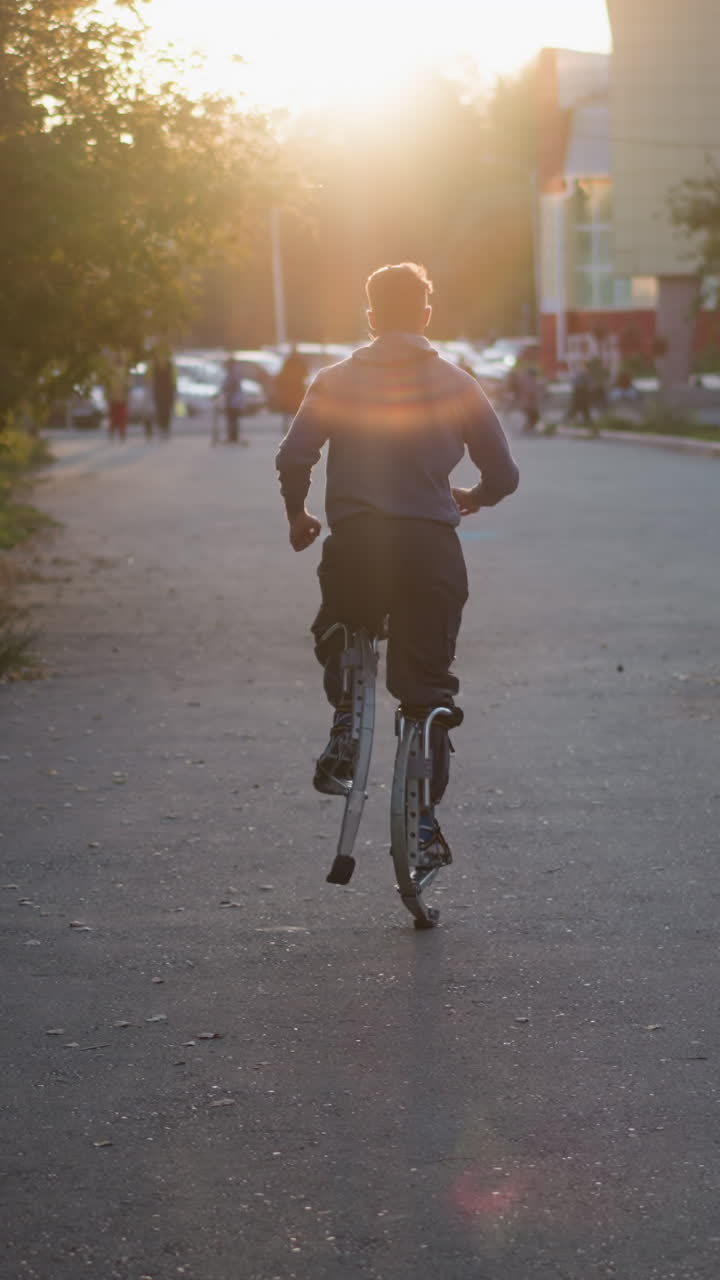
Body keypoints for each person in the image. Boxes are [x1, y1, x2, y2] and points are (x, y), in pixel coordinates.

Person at [275, 262, 519, 864]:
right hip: (429, 548)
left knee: (341, 626)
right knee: (425, 689)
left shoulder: (333, 380)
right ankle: (423, 826)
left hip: (358, 544)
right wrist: (473, 497)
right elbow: (504, 475)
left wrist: (298, 515)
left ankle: (344, 720)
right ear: (426, 315)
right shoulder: (458, 382)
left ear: (371, 315)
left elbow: (293, 456)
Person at [274, 345, 309, 432]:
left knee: (288, 409)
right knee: (297, 409)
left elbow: (282, 375)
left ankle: (287, 427)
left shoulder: (288, 362)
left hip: (289, 389)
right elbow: (305, 373)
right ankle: (296, 427)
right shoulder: (299, 361)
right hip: (296, 388)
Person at [219, 356, 247, 444]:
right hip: (234, 400)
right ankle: (233, 437)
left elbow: (230, 386)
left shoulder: (233, 373)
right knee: (233, 419)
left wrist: (225, 390)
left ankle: (233, 437)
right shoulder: (235, 372)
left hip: (233, 400)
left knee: (232, 419)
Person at [150, 348, 176, 439]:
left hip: (167, 392)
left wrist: (174, 390)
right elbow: (151, 379)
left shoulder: (169, 366)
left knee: (166, 411)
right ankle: (162, 428)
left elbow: (173, 380)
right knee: (160, 411)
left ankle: (165, 429)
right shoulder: (155, 366)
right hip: (159, 392)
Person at [517, 366, 542, 432]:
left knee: (532, 417)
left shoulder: (526, 379)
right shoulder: (530, 380)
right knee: (533, 417)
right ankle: (527, 429)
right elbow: (530, 392)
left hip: (526, 403)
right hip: (529, 404)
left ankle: (527, 428)